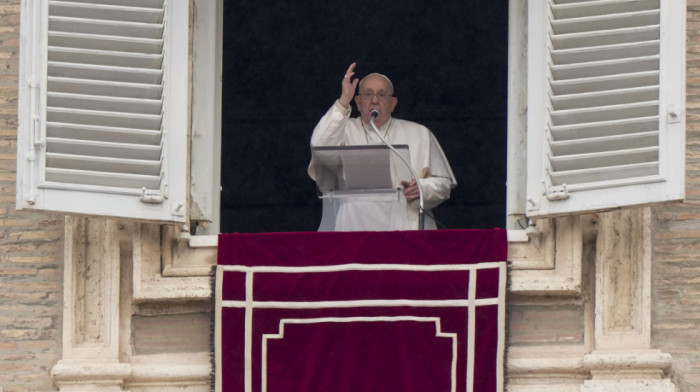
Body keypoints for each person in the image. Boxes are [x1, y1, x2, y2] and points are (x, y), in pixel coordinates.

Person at [308, 62, 457, 231]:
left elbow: (443, 185)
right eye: (367, 94)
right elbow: (320, 148)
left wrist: (421, 188)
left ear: (393, 103)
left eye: (382, 94)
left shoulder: (419, 133)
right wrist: (343, 102)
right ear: (357, 101)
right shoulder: (343, 129)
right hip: (354, 225)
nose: (374, 100)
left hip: (403, 223)